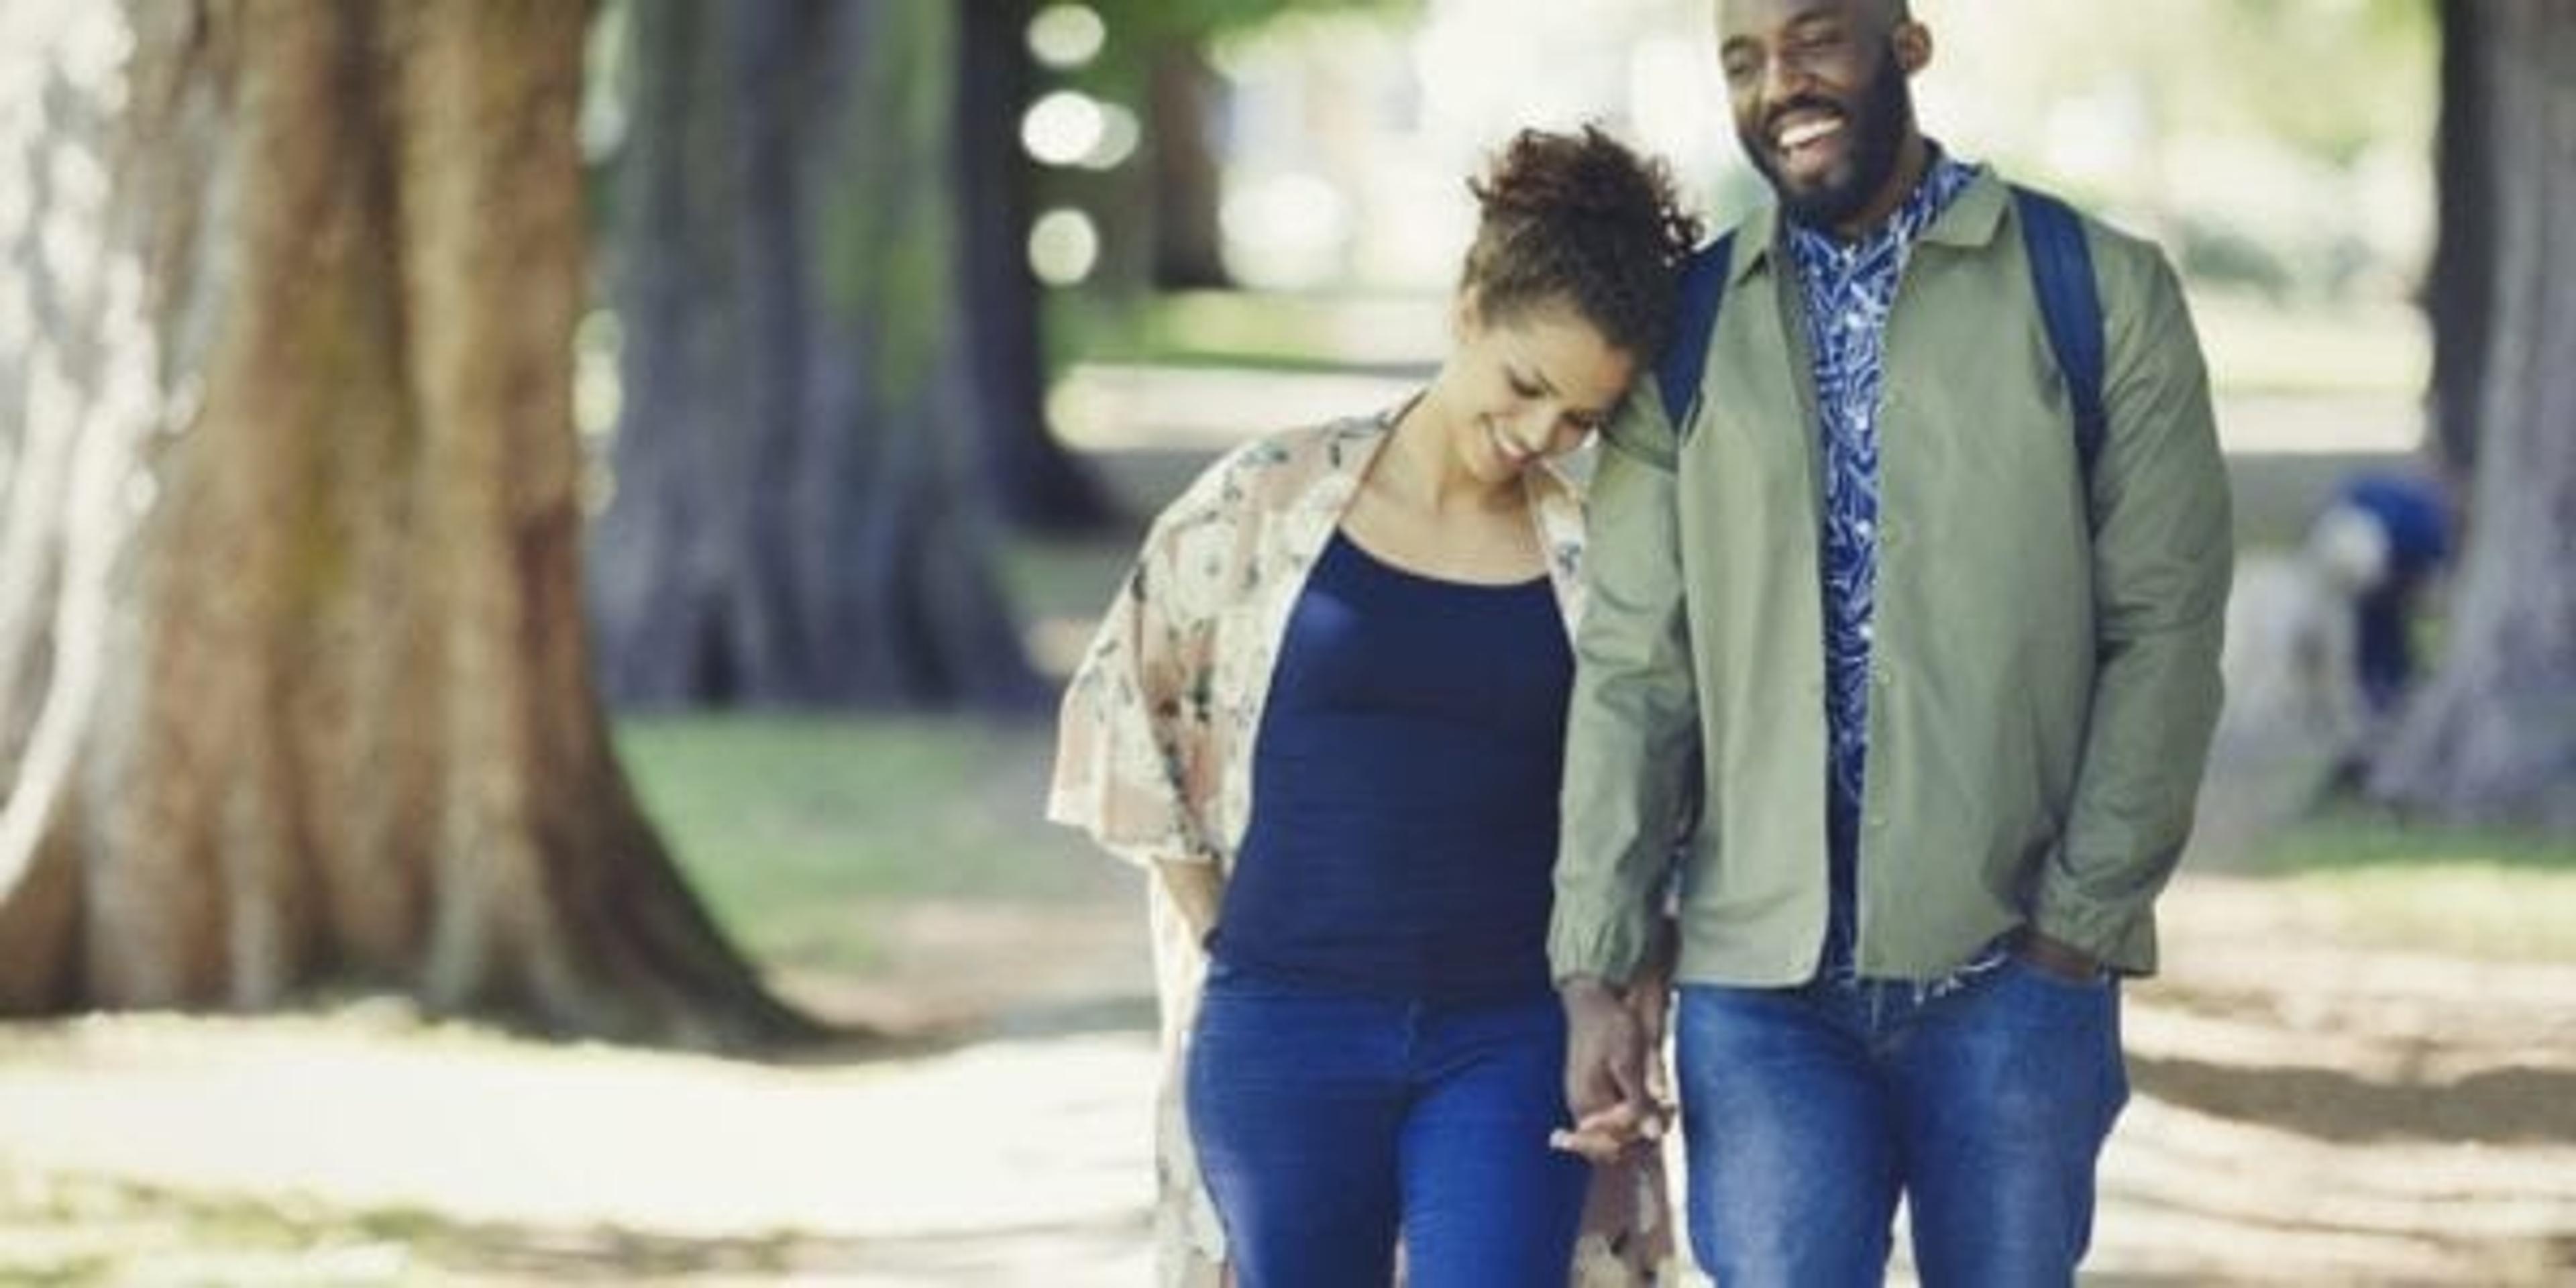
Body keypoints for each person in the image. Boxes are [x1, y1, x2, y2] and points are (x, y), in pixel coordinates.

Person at [1548, 2, 2235, 1285]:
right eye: (1743, 62)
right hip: (1762, 993)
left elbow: (2168, 634)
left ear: (1906, 47)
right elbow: (1637, 667)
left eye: (1816, 40)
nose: (1781, 83)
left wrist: (2072, 935)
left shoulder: (2098, 291)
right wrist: (1598, 958)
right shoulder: (1685, 332)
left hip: (2012, 970)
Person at [1049, 126, 1698, 1287]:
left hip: (1510, 1039)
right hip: (1285, 1032)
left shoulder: (1603, 556)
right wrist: (1227, 933)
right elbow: (1122, 715)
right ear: (1466, 310)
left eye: (1583, 419)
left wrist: (1626, 995)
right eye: (1526, 385)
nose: (1543, 433)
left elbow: (1660, 798)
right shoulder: (1266, 501)